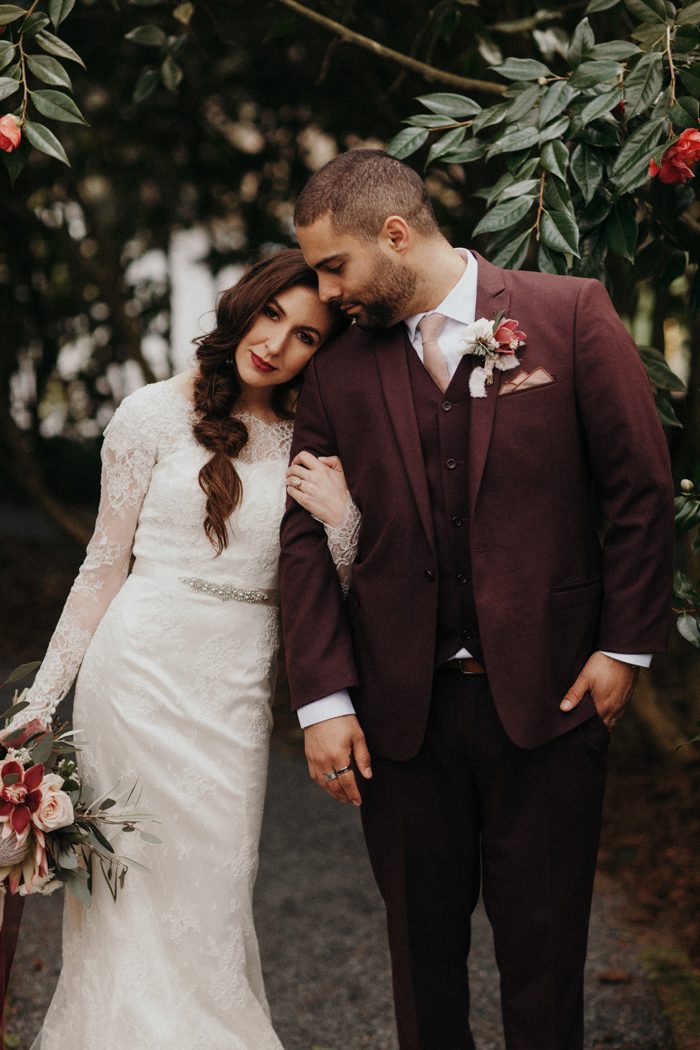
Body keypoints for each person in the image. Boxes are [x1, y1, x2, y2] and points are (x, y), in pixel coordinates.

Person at [280, 150, 675, 1050]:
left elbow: (640, 493)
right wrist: (323, 699)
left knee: (546, 964)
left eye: (334, 266)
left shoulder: (566, 315)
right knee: (422, 971)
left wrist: (625, 649)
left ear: (394, 234)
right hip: (401, 722)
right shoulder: (341, 371)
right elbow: (305, 538)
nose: (327, 291)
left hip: (551, 703)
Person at [11, 249, 356, 1050]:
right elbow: (101, 570)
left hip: (235, 686)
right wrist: (39, 704)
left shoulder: (311, 439)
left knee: (216, 889)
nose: (277, 342)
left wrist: (342, 521)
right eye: (272, 314)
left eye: (305, 335)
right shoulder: (149, 415)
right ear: (245, 305)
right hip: (133, 676)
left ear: (320, 352)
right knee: (124, 896)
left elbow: (329, 588)